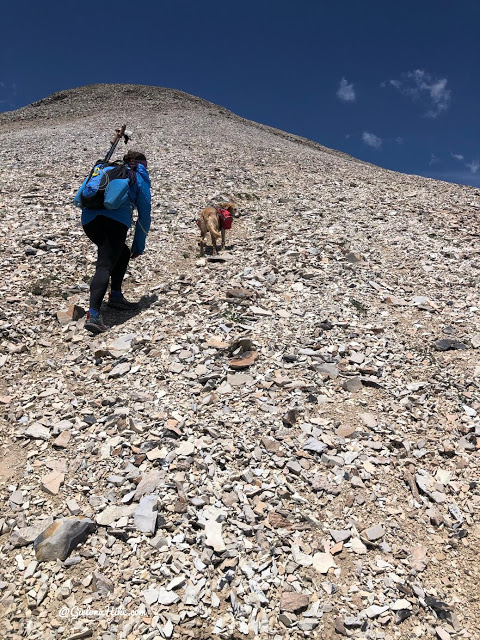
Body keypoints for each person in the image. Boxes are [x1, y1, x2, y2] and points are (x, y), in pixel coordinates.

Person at [81, 150, 151, 334]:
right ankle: (94, 315)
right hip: (114, 222)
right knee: (105, 263)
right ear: (142, 163)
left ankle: (116, 297)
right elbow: (144, 214)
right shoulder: (138, 174)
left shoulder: (109, 169)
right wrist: (139, 245)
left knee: (121, 252)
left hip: (89, 221)